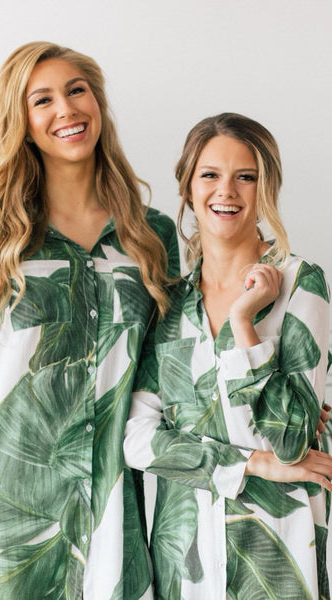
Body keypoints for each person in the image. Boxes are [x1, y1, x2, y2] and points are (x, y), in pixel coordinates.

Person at [0, 41, 180, 599]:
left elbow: (168, 373)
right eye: (41, 100)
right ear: (22, 123)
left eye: (76, 90)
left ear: (98, 102)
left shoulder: (151, 237)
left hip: (113, 509)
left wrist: (259, 402)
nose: (66, 110)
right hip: (0, 520)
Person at [124, 113, 332, 599]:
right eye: (211, 175)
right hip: (186, 564)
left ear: (266, 188)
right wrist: (250, 464)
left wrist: (244, 324)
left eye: (246, 176)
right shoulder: (170, 304)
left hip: (278, 554)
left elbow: (292, 438)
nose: (227, 191)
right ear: (188, 187)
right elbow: (137, 440)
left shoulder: (302, 283)